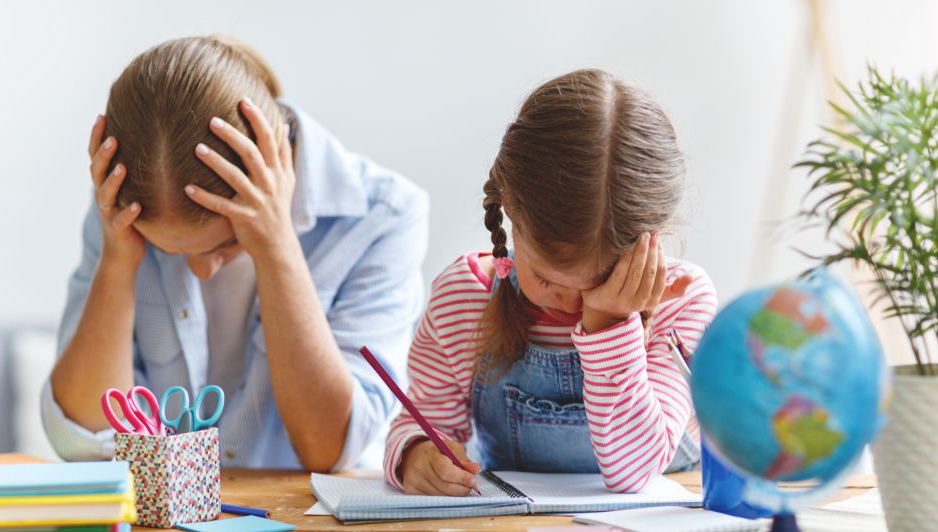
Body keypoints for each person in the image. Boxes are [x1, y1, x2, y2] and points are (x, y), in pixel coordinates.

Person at [43, 36, 428, 472]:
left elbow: (331, 451)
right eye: (165, 248)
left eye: (226, 243)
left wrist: (275, 245)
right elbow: (81, 442)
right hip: (166, 531)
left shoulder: (384, 214)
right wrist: (118, 261)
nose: (201, 270)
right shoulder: (123, 213)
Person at [385, 69, 717, 496]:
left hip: (651, 531)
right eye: (545, 278)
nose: (572, 304)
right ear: (509, 211)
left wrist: (611, 321)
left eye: (600, 282)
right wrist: (415, 453)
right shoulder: (463, 297)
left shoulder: (680, 300)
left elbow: (634, 474)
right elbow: (422, 418)